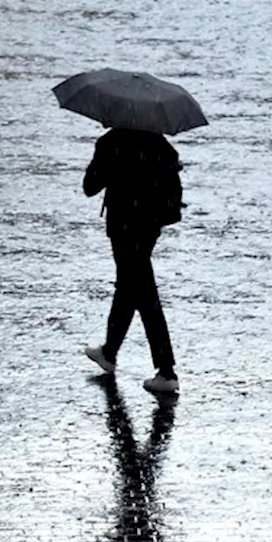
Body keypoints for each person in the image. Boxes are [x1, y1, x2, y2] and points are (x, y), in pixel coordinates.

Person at [81, 127, 180, 394]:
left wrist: (112, 167)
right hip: (149, 227)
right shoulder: (160, 144)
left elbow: (90, 186)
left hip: (123, 226)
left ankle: (167, 370)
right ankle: (109, 352)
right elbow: (172, 189)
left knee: (144, 295)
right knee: (130, 287)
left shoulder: (111, 141)